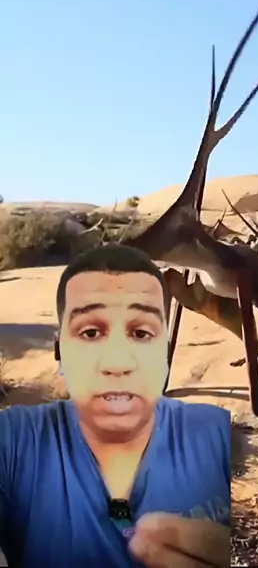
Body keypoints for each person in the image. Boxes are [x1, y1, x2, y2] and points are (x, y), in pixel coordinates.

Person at [0, 243, 231, 567]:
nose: (118, 362)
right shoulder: (14, 441)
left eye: (141, 333)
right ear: (59, 350)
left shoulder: (216, 436)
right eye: (91, 332)